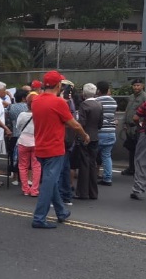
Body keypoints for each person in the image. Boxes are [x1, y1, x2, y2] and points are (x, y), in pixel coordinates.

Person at [31, 71, 89, 229]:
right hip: (54, 148)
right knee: (49, 183)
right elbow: (74, 124)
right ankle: (39, 217)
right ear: (59, 85)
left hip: (40, 146)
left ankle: (61, 211)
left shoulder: (36, 100)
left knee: (50, 181)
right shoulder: (59, 103)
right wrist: (84, 135)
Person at [74, 83, 103, 200]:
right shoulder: (99, 105)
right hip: (95, 135)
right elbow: (100, 123)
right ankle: (93, 192)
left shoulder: (84, 105)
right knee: (92, 163)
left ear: (84, 93)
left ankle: (83, 192)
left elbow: (81, 123)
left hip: (85, 136)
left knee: (84, 164)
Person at [122, 79, 146, 176]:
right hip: (129, 127)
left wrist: (143, 125)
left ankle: (140, 170)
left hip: (139, 127)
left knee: (141, 150)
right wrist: (124, 123)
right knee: (131, 149)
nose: (136, 87)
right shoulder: (131, 97)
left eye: (138, 85)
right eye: (134, 85)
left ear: (142, 86)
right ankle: (132, 168)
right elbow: (127, 111)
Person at [16, 96, 40, 197]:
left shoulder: (22, 114)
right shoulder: (40, 114)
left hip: (23, 141)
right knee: (36, 166)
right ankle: (34, 189)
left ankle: (25, 189)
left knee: (22, 166)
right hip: (36, 141)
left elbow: (18, 126)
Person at [95, 81, 117, 186]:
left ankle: (91, 176)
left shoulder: (96, 101)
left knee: (93, 155)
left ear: (98, 90)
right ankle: (108, 178)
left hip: (100, 132)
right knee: (107, 155)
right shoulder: (113, 101)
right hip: (111, 132)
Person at [6, 90, 29, 185]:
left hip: (14, 134)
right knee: (26, 158)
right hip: (26, 134)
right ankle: (26, 177)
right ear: (24, 98)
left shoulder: (11, 107)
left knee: (14, 157)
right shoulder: (27, 107)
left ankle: (15, 177)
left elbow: (8, 119)